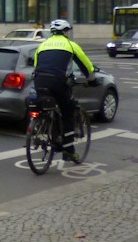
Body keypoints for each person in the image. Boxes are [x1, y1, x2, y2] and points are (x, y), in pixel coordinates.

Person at [33, 19, 96, 161]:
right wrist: (92, 79)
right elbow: (86, 65)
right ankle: (68, 151)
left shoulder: (42, 46)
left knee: (46, 106)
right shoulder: (70, 45)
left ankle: (44, 128)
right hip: (58, 82)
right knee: (68, 112)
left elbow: (36, 66)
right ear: (65, 31)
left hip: (39, 81)